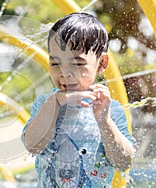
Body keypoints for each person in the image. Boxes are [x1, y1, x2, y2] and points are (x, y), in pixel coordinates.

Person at [22, 12, 135, 187]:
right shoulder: (45, 103)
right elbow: (32, 146)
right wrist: (53, 104)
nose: (65, 72)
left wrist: (104, 121)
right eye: (55, 63)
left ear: (102, 63)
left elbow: (123, 163)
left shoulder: (110, 109)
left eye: (77, 63)